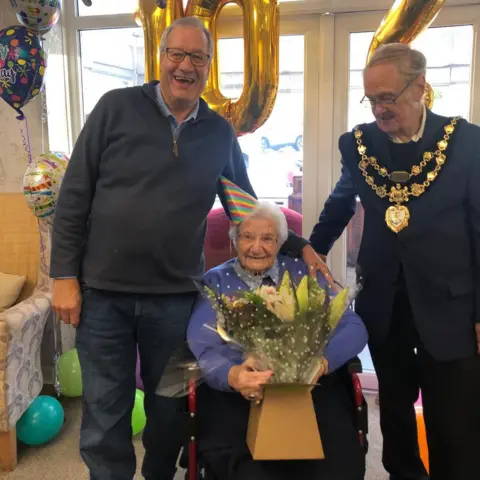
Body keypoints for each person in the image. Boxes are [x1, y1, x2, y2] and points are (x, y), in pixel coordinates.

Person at [50, 16, 327, 480]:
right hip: (102, 294)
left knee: (169, 412)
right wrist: (63, 276)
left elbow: (243, 204)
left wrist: (298, 247)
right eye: (176, 54)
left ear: (208, 67)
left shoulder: (219, 133)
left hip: (177, 298)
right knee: (104, 412)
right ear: (159, 59)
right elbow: (75, 193)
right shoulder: (114, 108)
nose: (185, 65)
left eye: (197, 57)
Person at [310, 43, 480, 480]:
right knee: (396, 416)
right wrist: (309, 249)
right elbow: (341, 203)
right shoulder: (359, 145)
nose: (380, 109)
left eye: (388, 97)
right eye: (372, 98)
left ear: (420, 87)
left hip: (452, 307)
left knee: (454, 422)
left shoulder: (466, 142)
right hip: (386, 306)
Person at [187, 196, 368, 480]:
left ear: (281, 242)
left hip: (308, 386)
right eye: (247, 236)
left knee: (336, 460)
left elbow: (353, 326)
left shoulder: (302, 274)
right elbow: (203, 344)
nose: (256, 247)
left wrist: (320, 364)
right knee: (245, 467)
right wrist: (233, 375)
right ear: (234, 239)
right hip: (240, 392)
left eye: (267, 239)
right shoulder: (216, 281)